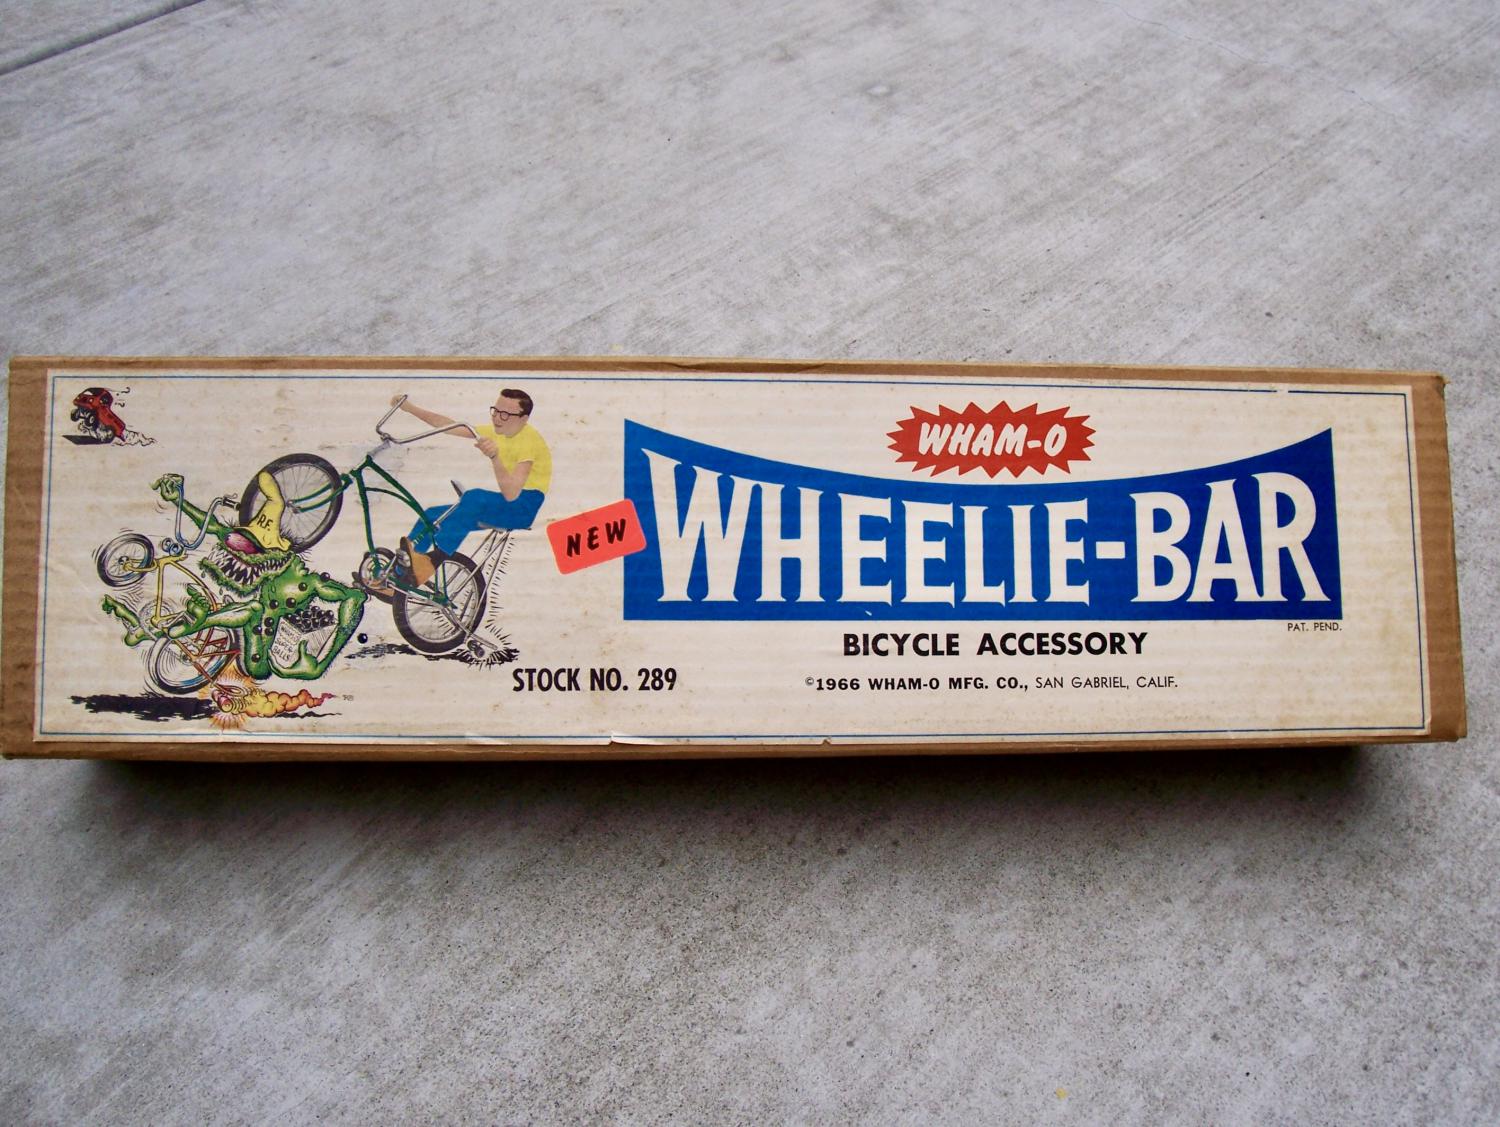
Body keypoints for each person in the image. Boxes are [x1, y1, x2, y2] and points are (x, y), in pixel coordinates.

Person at [389, 387, 551, 584]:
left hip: (523, 508)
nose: (497, 418)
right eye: (496, 411)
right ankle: (399, 575)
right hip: (505, 503)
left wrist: (495, 457)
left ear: (523, 418)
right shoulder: (499, 430)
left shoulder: (529, 441)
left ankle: (431, 563)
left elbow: (511, 494)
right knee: (431, 515)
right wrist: (409, 408)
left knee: (473, 498)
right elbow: (446, 426)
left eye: (506, 414)